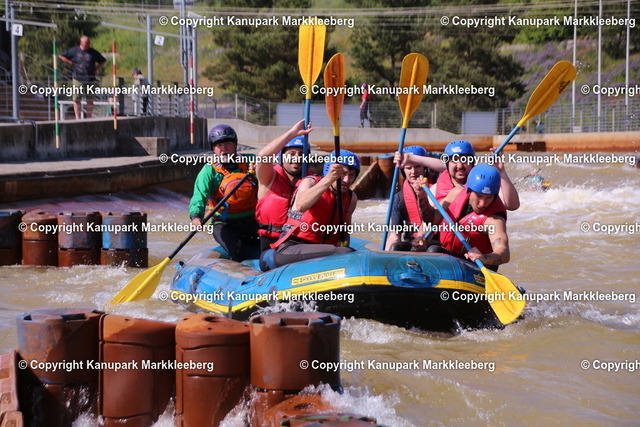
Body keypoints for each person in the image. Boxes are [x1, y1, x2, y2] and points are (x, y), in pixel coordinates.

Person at [260, 150, 359, 271]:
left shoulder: (351, 198)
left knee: (348, 252)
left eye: (351, 175)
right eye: (342, 174)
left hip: (321, 249)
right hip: (290, 248)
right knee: (343, 252)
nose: (347, 180)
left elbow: (345, 232)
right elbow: (300, 206)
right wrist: (329, 179)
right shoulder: (310, 182)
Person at [189, 124, 260, 262]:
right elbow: (199, 196)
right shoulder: (209, 170)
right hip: (224, 224)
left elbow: (270, 181)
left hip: (252, 220)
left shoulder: (250, 162)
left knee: (267, 248)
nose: (224, 149)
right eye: (219, 145)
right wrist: (196, 217)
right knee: (236, 253)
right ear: (213, 149)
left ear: (235, 145)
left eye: (228, 144)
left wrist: (261, 170)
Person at [431, 164, 510, 270]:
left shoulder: (494, 220)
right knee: (411, 247)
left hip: (476, 265)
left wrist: (484, 258)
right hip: (451, 253)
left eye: (489, 197)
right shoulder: (456, 193)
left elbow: (504, 253)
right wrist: (421, 197)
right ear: (469, 191)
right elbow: (432, 220)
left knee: (433, 251)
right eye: (479, 196)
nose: (482, 203)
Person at [410, 140, 520, 211]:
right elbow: (429, 221)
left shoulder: (485, 184)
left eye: (465, 160)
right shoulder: (434, 190)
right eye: (454, 160)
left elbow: (512, 206)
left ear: (472, 163)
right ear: (447, 164)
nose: (460, 166)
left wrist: (501, 172)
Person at [255, 119, 312, 251]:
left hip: (297, 242)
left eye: (301, 154)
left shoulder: (311, 180)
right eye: (291, 154)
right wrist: (292, 133)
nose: (297, 158)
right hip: (270, 242)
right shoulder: (269, 176)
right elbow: (263, 156)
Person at [386, 146, 439, 251]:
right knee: (395, 247)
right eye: (408, 168)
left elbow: (446, 167)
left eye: (417, 166)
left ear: (425, 167)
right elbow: (395, 235)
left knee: (432, 249)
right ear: (403, 170)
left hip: (437, 243)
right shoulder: (398, 198)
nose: (413, 172)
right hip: (413, 243)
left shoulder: (439, 186)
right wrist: (385, 255)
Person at [59, 36, 106, 120]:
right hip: (78, 78)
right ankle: (77, 118)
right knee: (76, 99)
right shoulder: (74, 50)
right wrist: (69, 62)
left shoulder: (93, 52)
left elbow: (103, 61)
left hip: (90, 79)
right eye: (85, 44)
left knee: (90, 99)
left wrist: (96, 69)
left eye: (88, 44)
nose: (86, 45)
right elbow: (61, 56)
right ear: (81, 43)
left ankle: (89, 117)